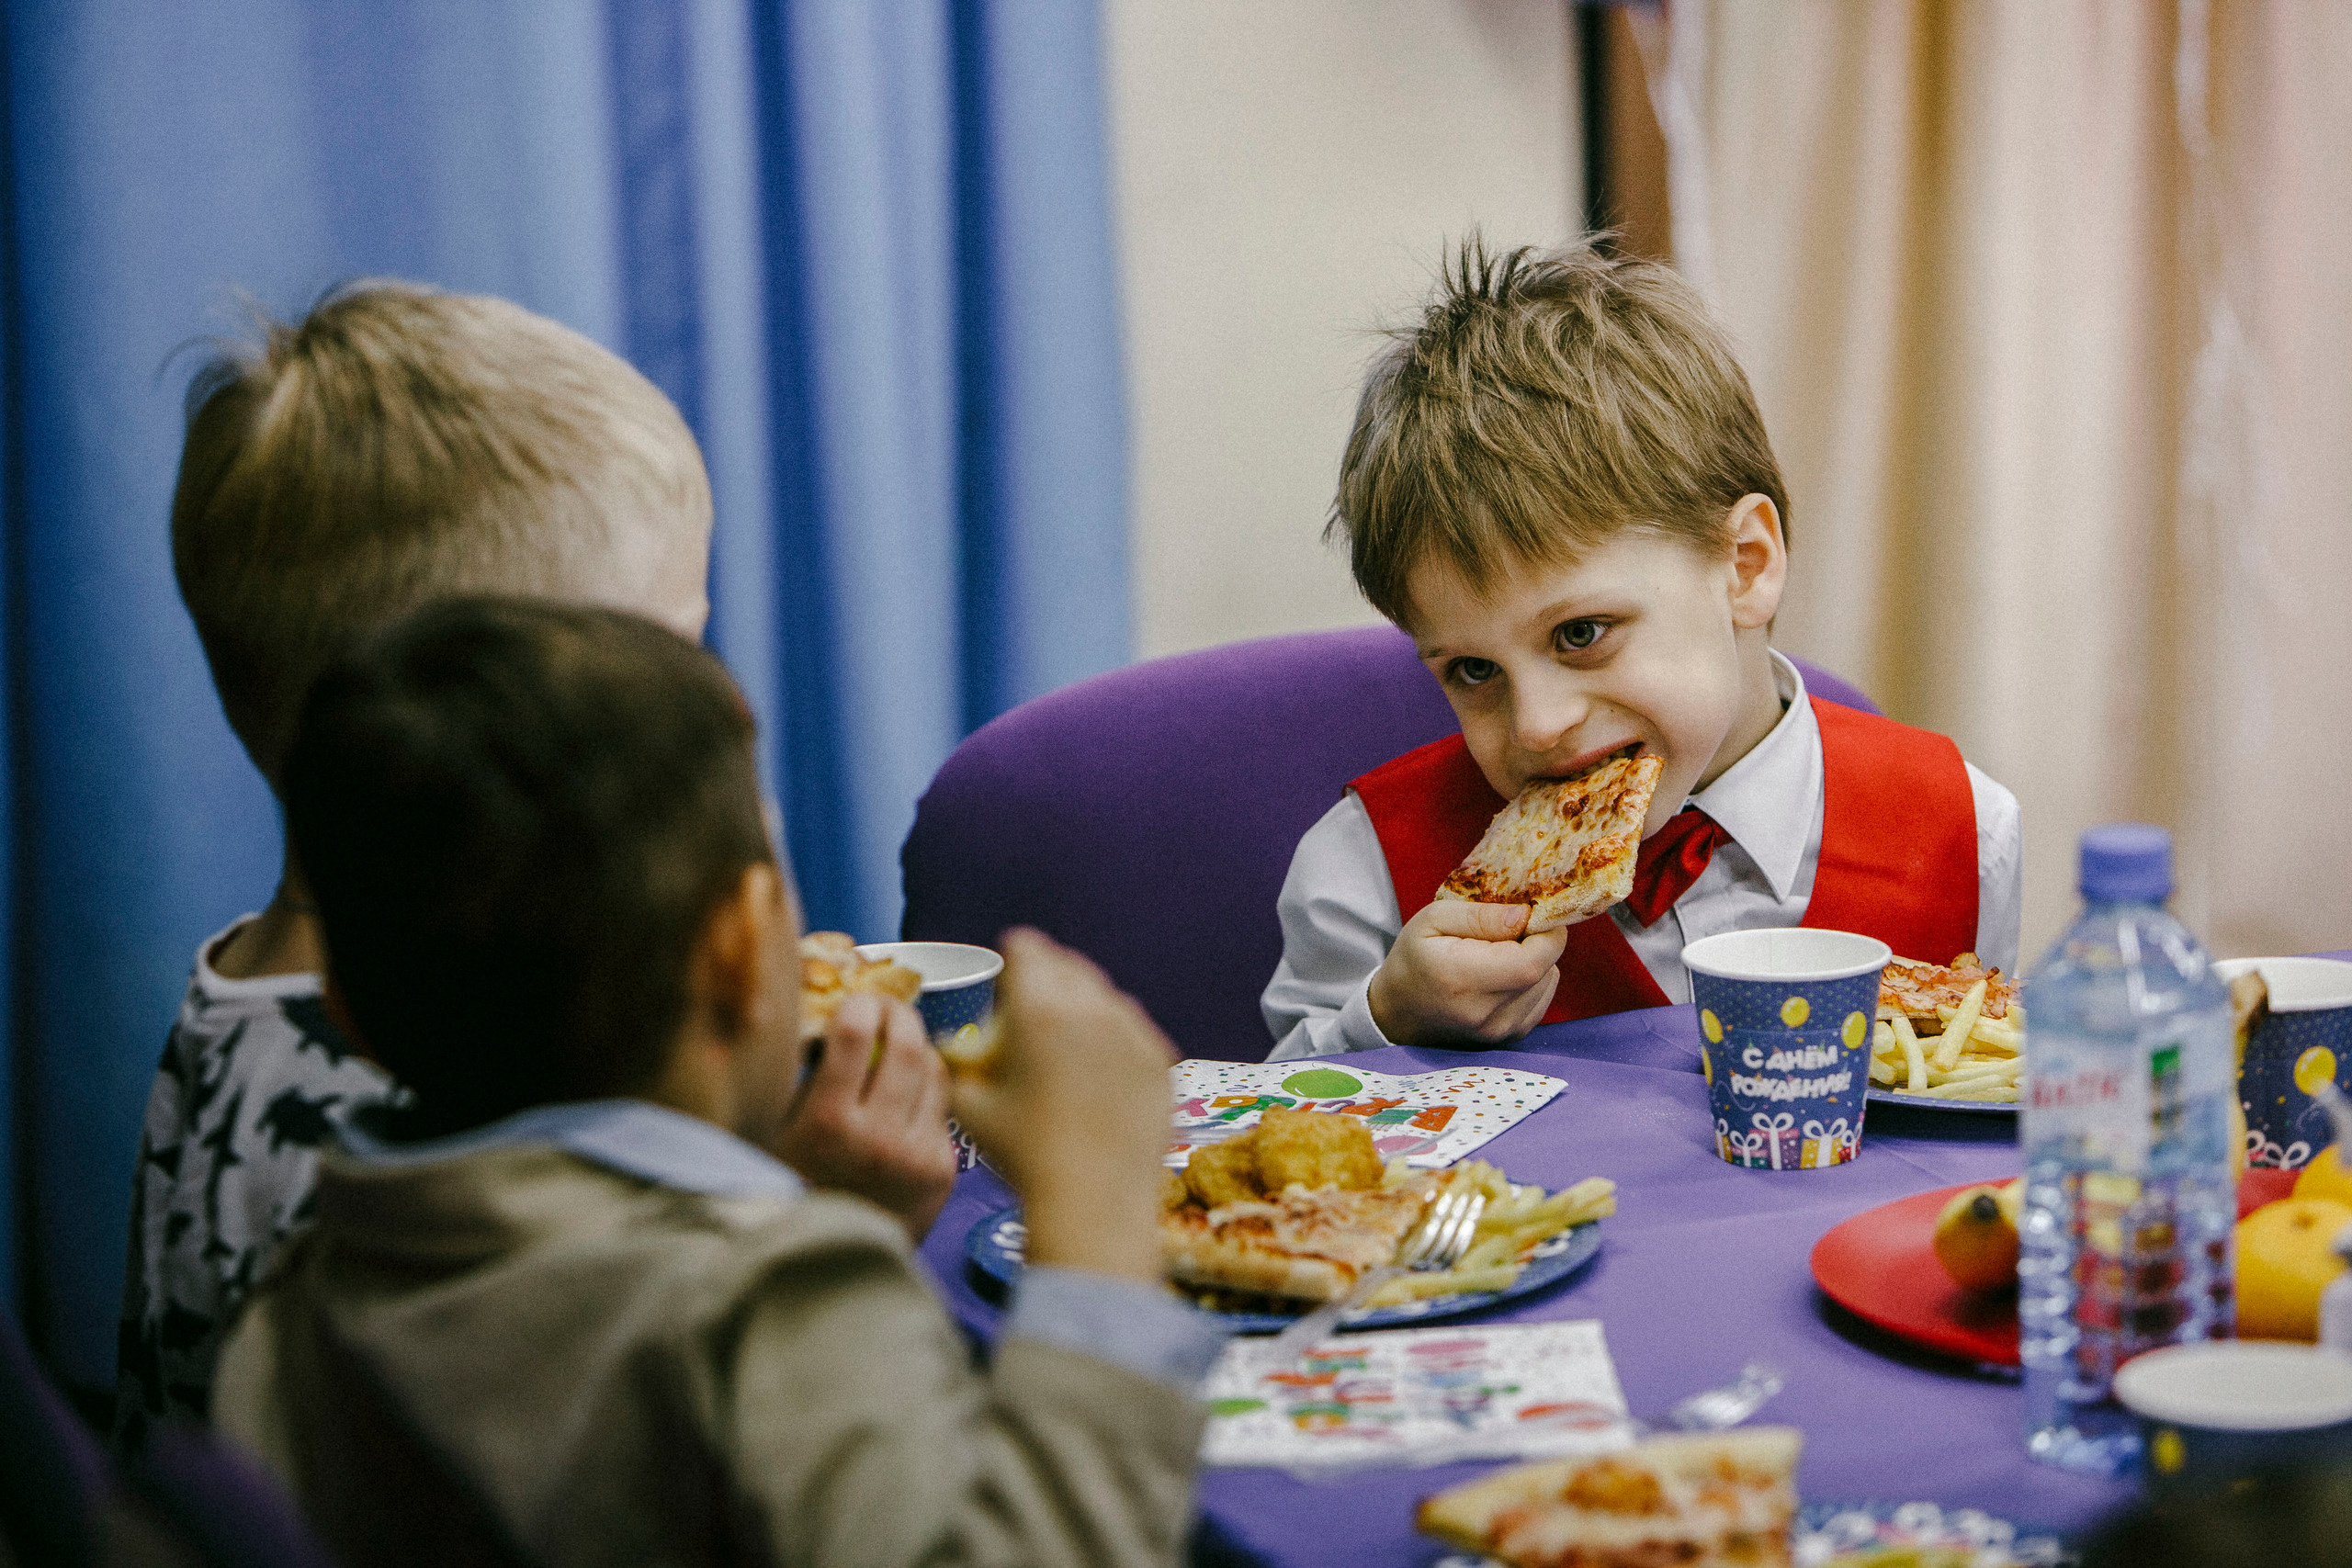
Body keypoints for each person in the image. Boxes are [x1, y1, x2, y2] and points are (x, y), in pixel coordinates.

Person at [211, 597, 1216, 1568]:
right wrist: (1095, 1221)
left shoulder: (292, 1310)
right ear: (742, 948)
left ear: (339, 998)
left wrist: (798, 1213)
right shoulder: (767, 1306)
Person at [119, 284, 956, 1437]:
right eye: (670, 648)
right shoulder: (412, 1106)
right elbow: (591, 1457)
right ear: (466, 710)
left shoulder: (301, 1001)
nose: (711, 698)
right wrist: (812, 1223)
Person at [1263, 240, 2020, 1059]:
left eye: (1581, 633)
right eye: (1474, 670)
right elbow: (1268, 1147)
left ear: (1745, 567)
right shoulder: (1361, 873)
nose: (1538, 726)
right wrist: (1388, 1024)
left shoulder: (1969, 833)